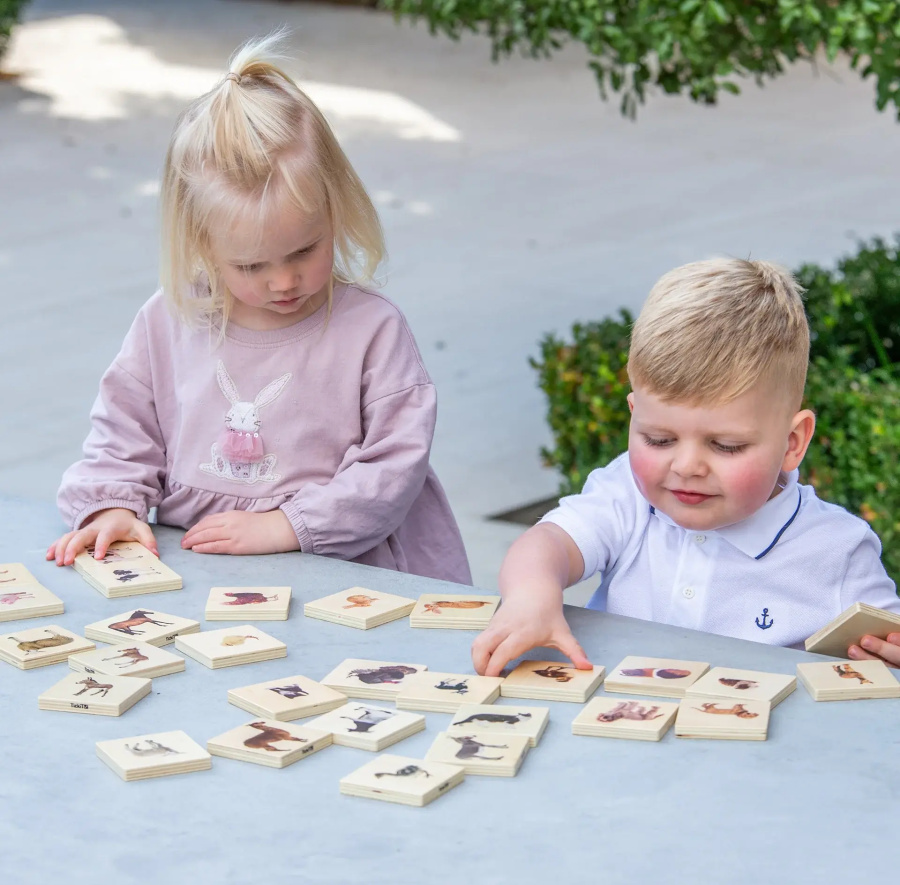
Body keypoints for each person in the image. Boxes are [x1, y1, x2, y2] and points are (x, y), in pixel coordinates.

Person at [48, 33, 471, 585]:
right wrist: (113, 506)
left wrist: (289, 526)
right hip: (199, 572)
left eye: (304, 250)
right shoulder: (169, 321)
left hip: (344, 573)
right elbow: (124, 431)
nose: (284, 280)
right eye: (251, 266)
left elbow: (396, 465)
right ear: (201, 244)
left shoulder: (372, 329)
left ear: (335, 210)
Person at [473, 258, 900, 675]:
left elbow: (885, 653)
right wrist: (530, 597)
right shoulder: (628, 495)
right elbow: (546, 545)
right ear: (633, 414)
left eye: (726, 446)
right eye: (659, 439)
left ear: (792, 443)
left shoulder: (837, 552)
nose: (687, 466)